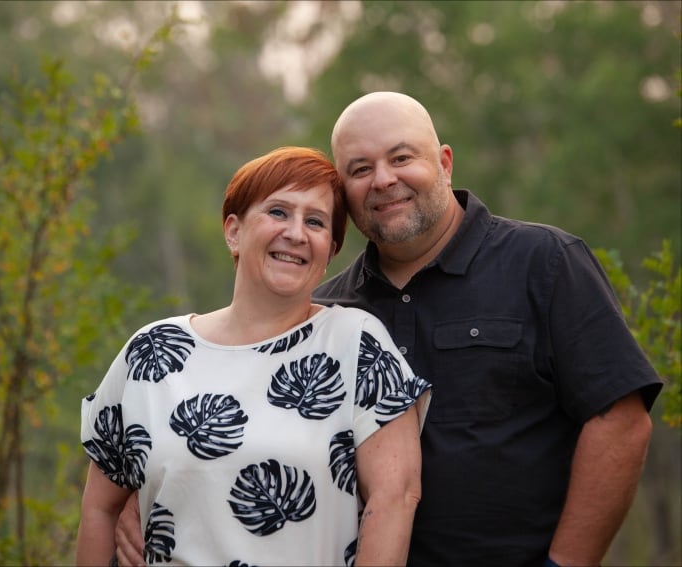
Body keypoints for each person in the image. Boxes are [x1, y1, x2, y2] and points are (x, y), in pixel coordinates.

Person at [115, 93, 662, 566]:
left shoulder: (542, 262)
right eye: (359, 168)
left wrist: (565, 563)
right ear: (345, 196)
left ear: (444, 161)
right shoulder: (323, 315)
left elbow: (620, 418)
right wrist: (143, 501)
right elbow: (237, 432)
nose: (383, 180)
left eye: (402, 158)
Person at [75, 146, 432, 567]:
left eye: (315, 222)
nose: (296, 233)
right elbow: (100, 509)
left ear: (330, 250)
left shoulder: (356, 344)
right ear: (233, 231)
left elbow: (395, 498)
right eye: (278, 212)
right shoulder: (152, 353)